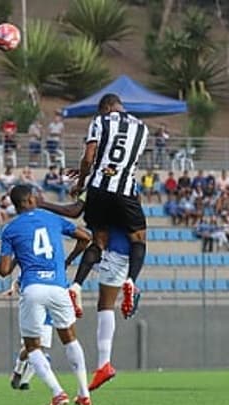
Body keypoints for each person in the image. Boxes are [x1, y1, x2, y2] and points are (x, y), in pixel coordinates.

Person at [0, 184, 92, 405]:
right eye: (36, 196)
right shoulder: (50, 218)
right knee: (70, 338)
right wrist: (69, 260)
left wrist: (19, 257)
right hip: (58, 287)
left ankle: (58, 393)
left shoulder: (10, 229)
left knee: (32, 346)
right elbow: (85, 237)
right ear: (29, 200)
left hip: (33, 289)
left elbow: (3, 271)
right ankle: (84, 393)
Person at [38, 192, 139, 392]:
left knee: (105, 304)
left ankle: (77, 286)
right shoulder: (126, 182)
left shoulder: (94, 183)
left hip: (111, 247)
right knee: (106, 302)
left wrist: (40, 203)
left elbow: (73, 211)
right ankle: (130, 281)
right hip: (123, 245)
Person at [69, 93, 149, 322]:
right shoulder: (142, 128)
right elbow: (124, 162)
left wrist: (82, 181)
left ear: (105, 108)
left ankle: (76, 285)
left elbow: (90, 157)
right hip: (124, 191)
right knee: (138, 238)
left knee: (98, 242)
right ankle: (132, 281)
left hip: (97, 190)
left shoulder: (100, 121)